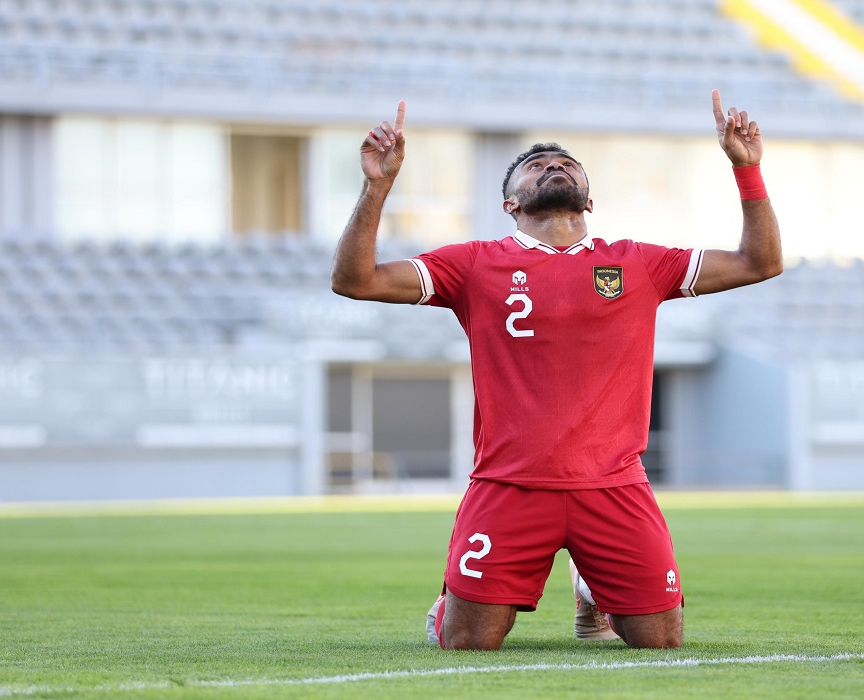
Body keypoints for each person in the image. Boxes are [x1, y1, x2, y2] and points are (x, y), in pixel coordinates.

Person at [330, 90, 782, 650]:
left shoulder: (638, 262)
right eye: (537, 165)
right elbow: (355, 280)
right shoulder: (473, 264)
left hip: (614, 485)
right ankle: (456, 600)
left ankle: (593, 588)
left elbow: (760, 262)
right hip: (509, 484)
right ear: (510, 204)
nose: (553, 166)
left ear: (589, 199)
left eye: (567, 164)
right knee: (468, 643)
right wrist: (376, 187)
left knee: (660, 642)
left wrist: (747, 170)